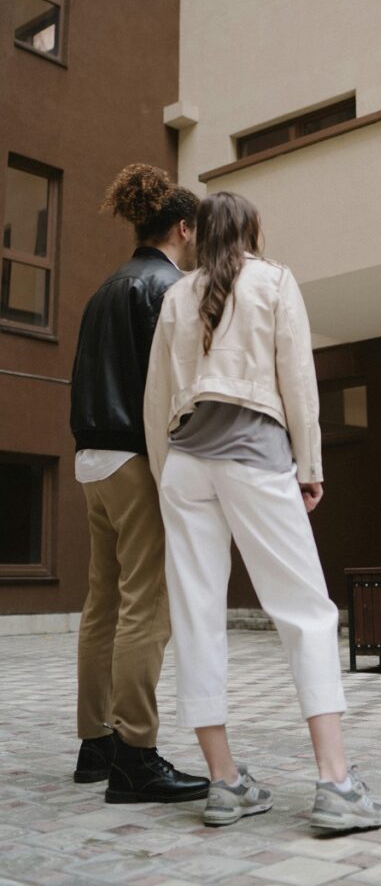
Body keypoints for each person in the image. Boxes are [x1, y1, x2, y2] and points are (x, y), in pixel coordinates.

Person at [144, 190, 381, 831]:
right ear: (253, 231)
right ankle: (336, 784)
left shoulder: (176, 295)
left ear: (196, 235)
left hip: (184, 463)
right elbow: (298, 380)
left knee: (197, 616)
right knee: (306, 611)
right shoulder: (273, 280)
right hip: (255, 456)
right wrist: (309, 465)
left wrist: (163, 474)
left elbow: (155, 400)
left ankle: (224, 783)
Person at [70, 163, 209, 802]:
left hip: (91, 460)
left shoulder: (104, 288)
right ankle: (135, 755)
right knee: (145, 607)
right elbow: (176, 389)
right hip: (134, 461)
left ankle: (95, 744)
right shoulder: (167, 288)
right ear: (183, 226)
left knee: (102, 606)